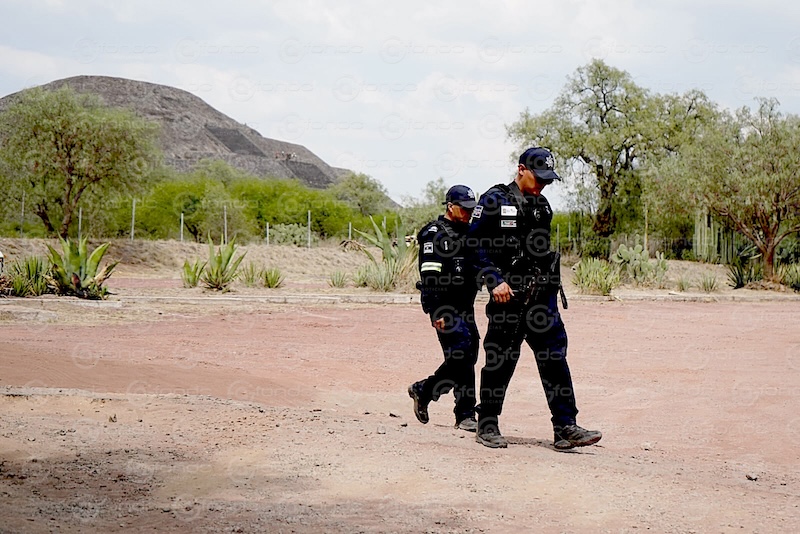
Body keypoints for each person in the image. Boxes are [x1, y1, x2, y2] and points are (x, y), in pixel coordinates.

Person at [467, 147, 602, 450]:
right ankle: (487, 422)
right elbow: (473, 245)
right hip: (507, 296)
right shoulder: (494, 200)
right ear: (521, 169)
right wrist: (493, 279)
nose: (543, 184)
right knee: (500, 360)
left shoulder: (542, 206)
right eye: (538, 177)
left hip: (541, 296)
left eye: (548, 180)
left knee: (554, 358)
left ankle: (565, 426)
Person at [408, 185, 481, 432]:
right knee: (461, 354)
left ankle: (425, 390)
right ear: (451, 207)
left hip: (466, 304)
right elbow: (429, 274)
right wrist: (435, 309)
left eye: (472, 208)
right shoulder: (435, 233)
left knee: (468, 355)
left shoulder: (470, 231)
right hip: (445, 304)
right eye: (465, 208)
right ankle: (464, 413)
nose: (469, 213)